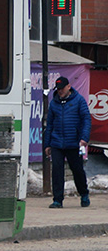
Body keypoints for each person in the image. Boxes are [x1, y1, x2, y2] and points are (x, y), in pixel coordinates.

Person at [44, 76, 92, 209]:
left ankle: (84, 193)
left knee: (77, 170)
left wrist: (84, 138)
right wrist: (47, 144)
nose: (60, 91)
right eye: (58, 89)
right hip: (57, 143)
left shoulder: (79, 100)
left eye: (62, 88)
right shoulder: (54, 103)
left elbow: (86, 120)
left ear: (69, 87)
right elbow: (50, 125)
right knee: (57, 171)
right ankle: (57, 200)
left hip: (74, 142)